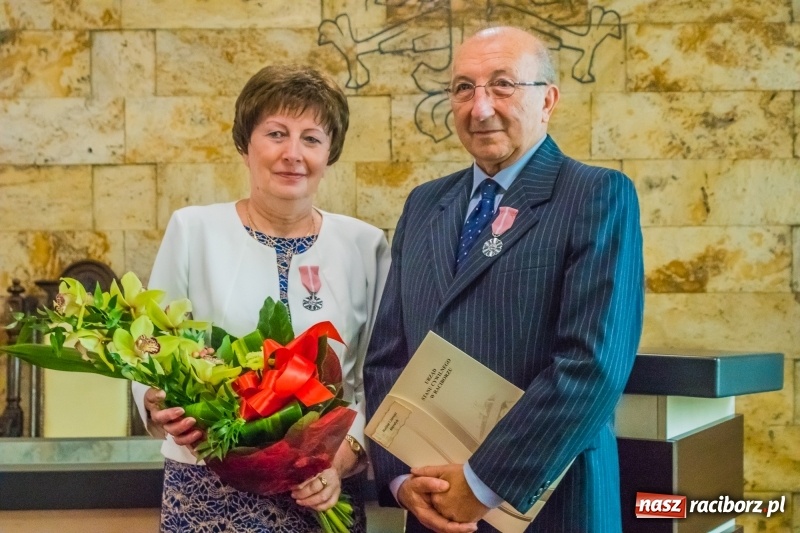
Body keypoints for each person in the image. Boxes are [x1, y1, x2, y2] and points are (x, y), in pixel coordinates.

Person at [364, 26, 644, 533]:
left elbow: (592, 366)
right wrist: (401, 480)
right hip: (433, 504)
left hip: (551, 507)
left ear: (548, 100)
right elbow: (388, 355)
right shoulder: (424, 204)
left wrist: (481, 484)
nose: (480, 107)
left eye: (502, 85)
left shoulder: (596, 195)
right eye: (463, 88)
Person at [132, 64, 390, 532]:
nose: (293, 154)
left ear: (330, 152)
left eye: (311, 139)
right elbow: (148, 349)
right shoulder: (194, 231)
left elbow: (378, 375)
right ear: (245, 143)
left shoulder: (365, 245)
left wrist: (343, 459)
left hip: (321, 488)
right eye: (276, 134)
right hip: (208, 483)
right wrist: (155, 400)